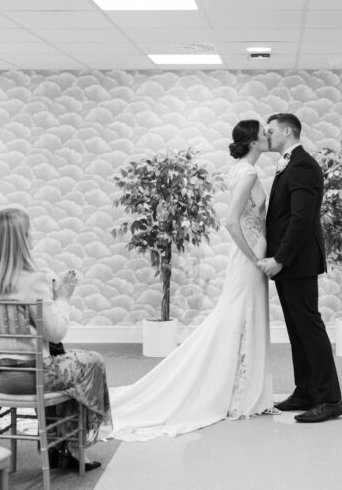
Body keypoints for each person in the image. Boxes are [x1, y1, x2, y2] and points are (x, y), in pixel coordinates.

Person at [107, 119, 274, 441]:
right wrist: (253, 257)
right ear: (253, 142)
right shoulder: (249, 172)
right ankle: (238, 391)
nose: (268, 137)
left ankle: (241, 387)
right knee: (240, 318)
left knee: (242, 318)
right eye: (264, 135)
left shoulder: (240, 169)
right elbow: (230, 220)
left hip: (253, 252)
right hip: (249, 255)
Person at [0, 208, 111, 469]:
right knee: (92, 362)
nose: (33, 235)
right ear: (21, 238)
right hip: (34, 376)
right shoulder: (33, 280)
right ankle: (71, 446)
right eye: (30, 231)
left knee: (70, 363)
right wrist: (63, 298)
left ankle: (61, 446)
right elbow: (56, 332)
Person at [259, 113, 342, 423]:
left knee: (309, 327)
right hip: (289, 262)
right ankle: (305, 391)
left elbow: (301, 219)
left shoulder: (303, 164)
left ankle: (330, 399)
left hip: (297, 261)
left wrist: (279, 258)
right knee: (297, 329)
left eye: (270, 131)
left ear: (287, 130)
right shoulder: (289, 163)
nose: (266, 136)